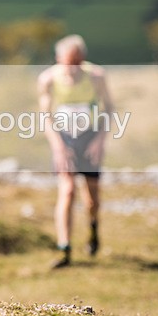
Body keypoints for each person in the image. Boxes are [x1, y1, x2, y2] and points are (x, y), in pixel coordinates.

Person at [37, 35, 114, 268]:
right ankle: (65, 249)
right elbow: (45, 116)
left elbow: (108, 108)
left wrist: (100, 140)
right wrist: (59, 147)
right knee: (68, 191)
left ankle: (93, 229)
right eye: (68, 62)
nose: (72, 68)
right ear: (59, 59)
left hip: (89, 137)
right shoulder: (48, 79)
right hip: (65, 139)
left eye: (77, 62)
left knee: (92, 198)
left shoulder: (96, 76)